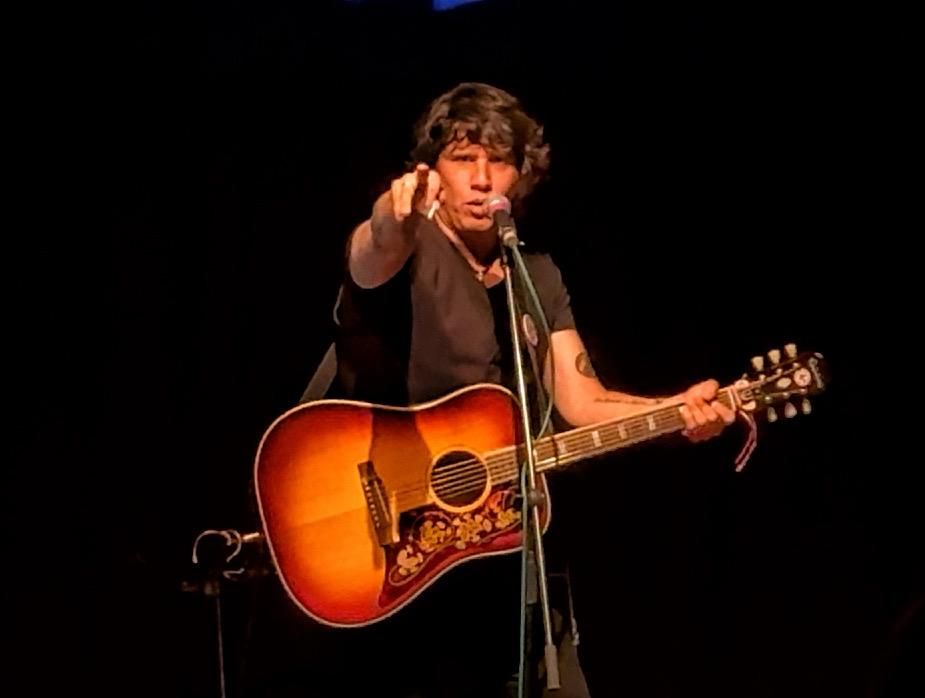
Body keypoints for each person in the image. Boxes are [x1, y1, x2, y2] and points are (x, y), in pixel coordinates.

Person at [247, 82, 737, 698]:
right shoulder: (408, 248)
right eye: (462, 159)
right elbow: (371, 251)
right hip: (393, 561)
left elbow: (582, 402)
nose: (481, 179)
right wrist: (392, 214)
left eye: (499, 161)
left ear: (522, 176)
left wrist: (677, 409)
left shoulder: (537, 277)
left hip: (501, 571)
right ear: (431, 172)